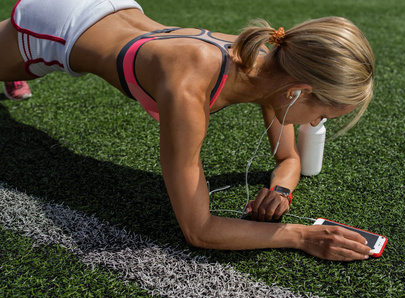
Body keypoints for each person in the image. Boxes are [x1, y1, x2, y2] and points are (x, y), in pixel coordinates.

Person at [0, 0, 375, 261]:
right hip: (56, 27)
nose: (315, 124)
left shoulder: (272, 66)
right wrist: (301, 236)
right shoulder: (188, 90)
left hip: (112, 9)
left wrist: (280, 191)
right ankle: (20, 67)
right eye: (323, 114)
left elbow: (288, 157)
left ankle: (17, 70)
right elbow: (199, 230)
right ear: (300, 91)